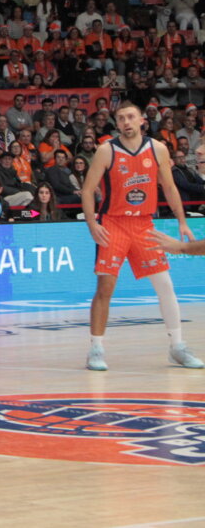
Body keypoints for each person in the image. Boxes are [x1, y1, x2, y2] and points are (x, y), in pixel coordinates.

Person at [80, 100, 202, 371]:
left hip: (144, 224)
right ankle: (96, 348)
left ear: (141, 120)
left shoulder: (157, 148)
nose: (126, 121)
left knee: (165, 285)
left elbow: (169, 188)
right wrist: (91, 223)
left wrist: (182, 222)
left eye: (131, 116)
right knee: (105, 289)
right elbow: (87, 190)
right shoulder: (105, 150)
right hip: (113, 224)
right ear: (117, 123)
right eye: (121, 118)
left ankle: (178, 347)